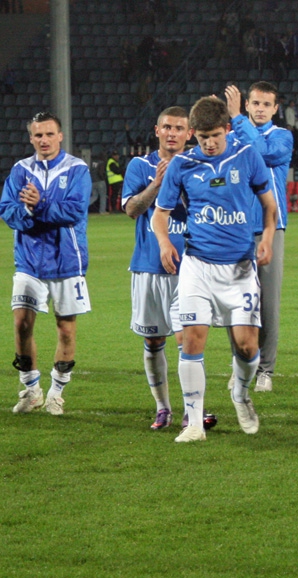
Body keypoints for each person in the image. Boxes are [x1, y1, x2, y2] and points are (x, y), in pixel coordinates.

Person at [152, 96, 277, 443]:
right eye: (202, 136)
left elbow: (270, 206)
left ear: (226, 129)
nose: (208, 143)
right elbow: (160, 215)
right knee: (192, 340)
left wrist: (266, 238)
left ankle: (240, 392)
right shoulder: (182, 164)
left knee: (248, 347)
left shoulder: (247, 156)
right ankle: (193, 423)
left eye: (214, 136)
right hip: (197, 265)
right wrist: (164, 243)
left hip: (239, 267)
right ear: (193, 133)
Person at [1, 112, 91, 416]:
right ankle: (31, 388)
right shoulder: (20, 171)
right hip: (29, 260)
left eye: (50, 134)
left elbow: (74, 211)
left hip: (67, 260)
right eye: (38, 135)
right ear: (31, 138)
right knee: (21, 323)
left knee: (65, 329)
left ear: (60, 136)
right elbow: (7, 210)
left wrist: (38, 204)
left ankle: (56, 392)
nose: (44, 140)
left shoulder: (77, 169)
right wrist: (26, 209)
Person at [121, 106, 193, 430]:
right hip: (149, 267)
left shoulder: (199, 167)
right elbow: (132, 209)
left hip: (189, 269)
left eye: (179, 128)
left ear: (189, 133)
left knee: (187, 341)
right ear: (157, 130)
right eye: (167, 127)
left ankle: (193, 409)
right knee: (153, 342)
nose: (173, 133)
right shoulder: (140, 165)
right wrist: (158, 184)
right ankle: (163, 408)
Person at [225, 82, 294, 391]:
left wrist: (237, 119)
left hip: (269, 228)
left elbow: (261, 153)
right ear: (249, 104)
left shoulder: (282, 137)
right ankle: (239, 362)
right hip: (235, 227)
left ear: (275, 109)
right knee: (235, 301)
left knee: (267, 304)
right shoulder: (230, 137)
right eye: (255, 103)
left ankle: (266, 369)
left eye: (267, 104)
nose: (261, 109)